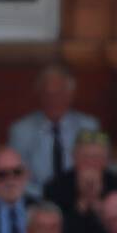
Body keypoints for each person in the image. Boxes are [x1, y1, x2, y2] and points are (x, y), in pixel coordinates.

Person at [8, 64, 102, 197]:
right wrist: (46, 196)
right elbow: (15, 174)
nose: (53, 100)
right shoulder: (20, 131)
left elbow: (98, 166)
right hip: (37, 200)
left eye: (58, 93)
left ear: (70, 94)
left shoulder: (89, 126)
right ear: (39, 95)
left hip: (79, 198)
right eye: (47, 94)